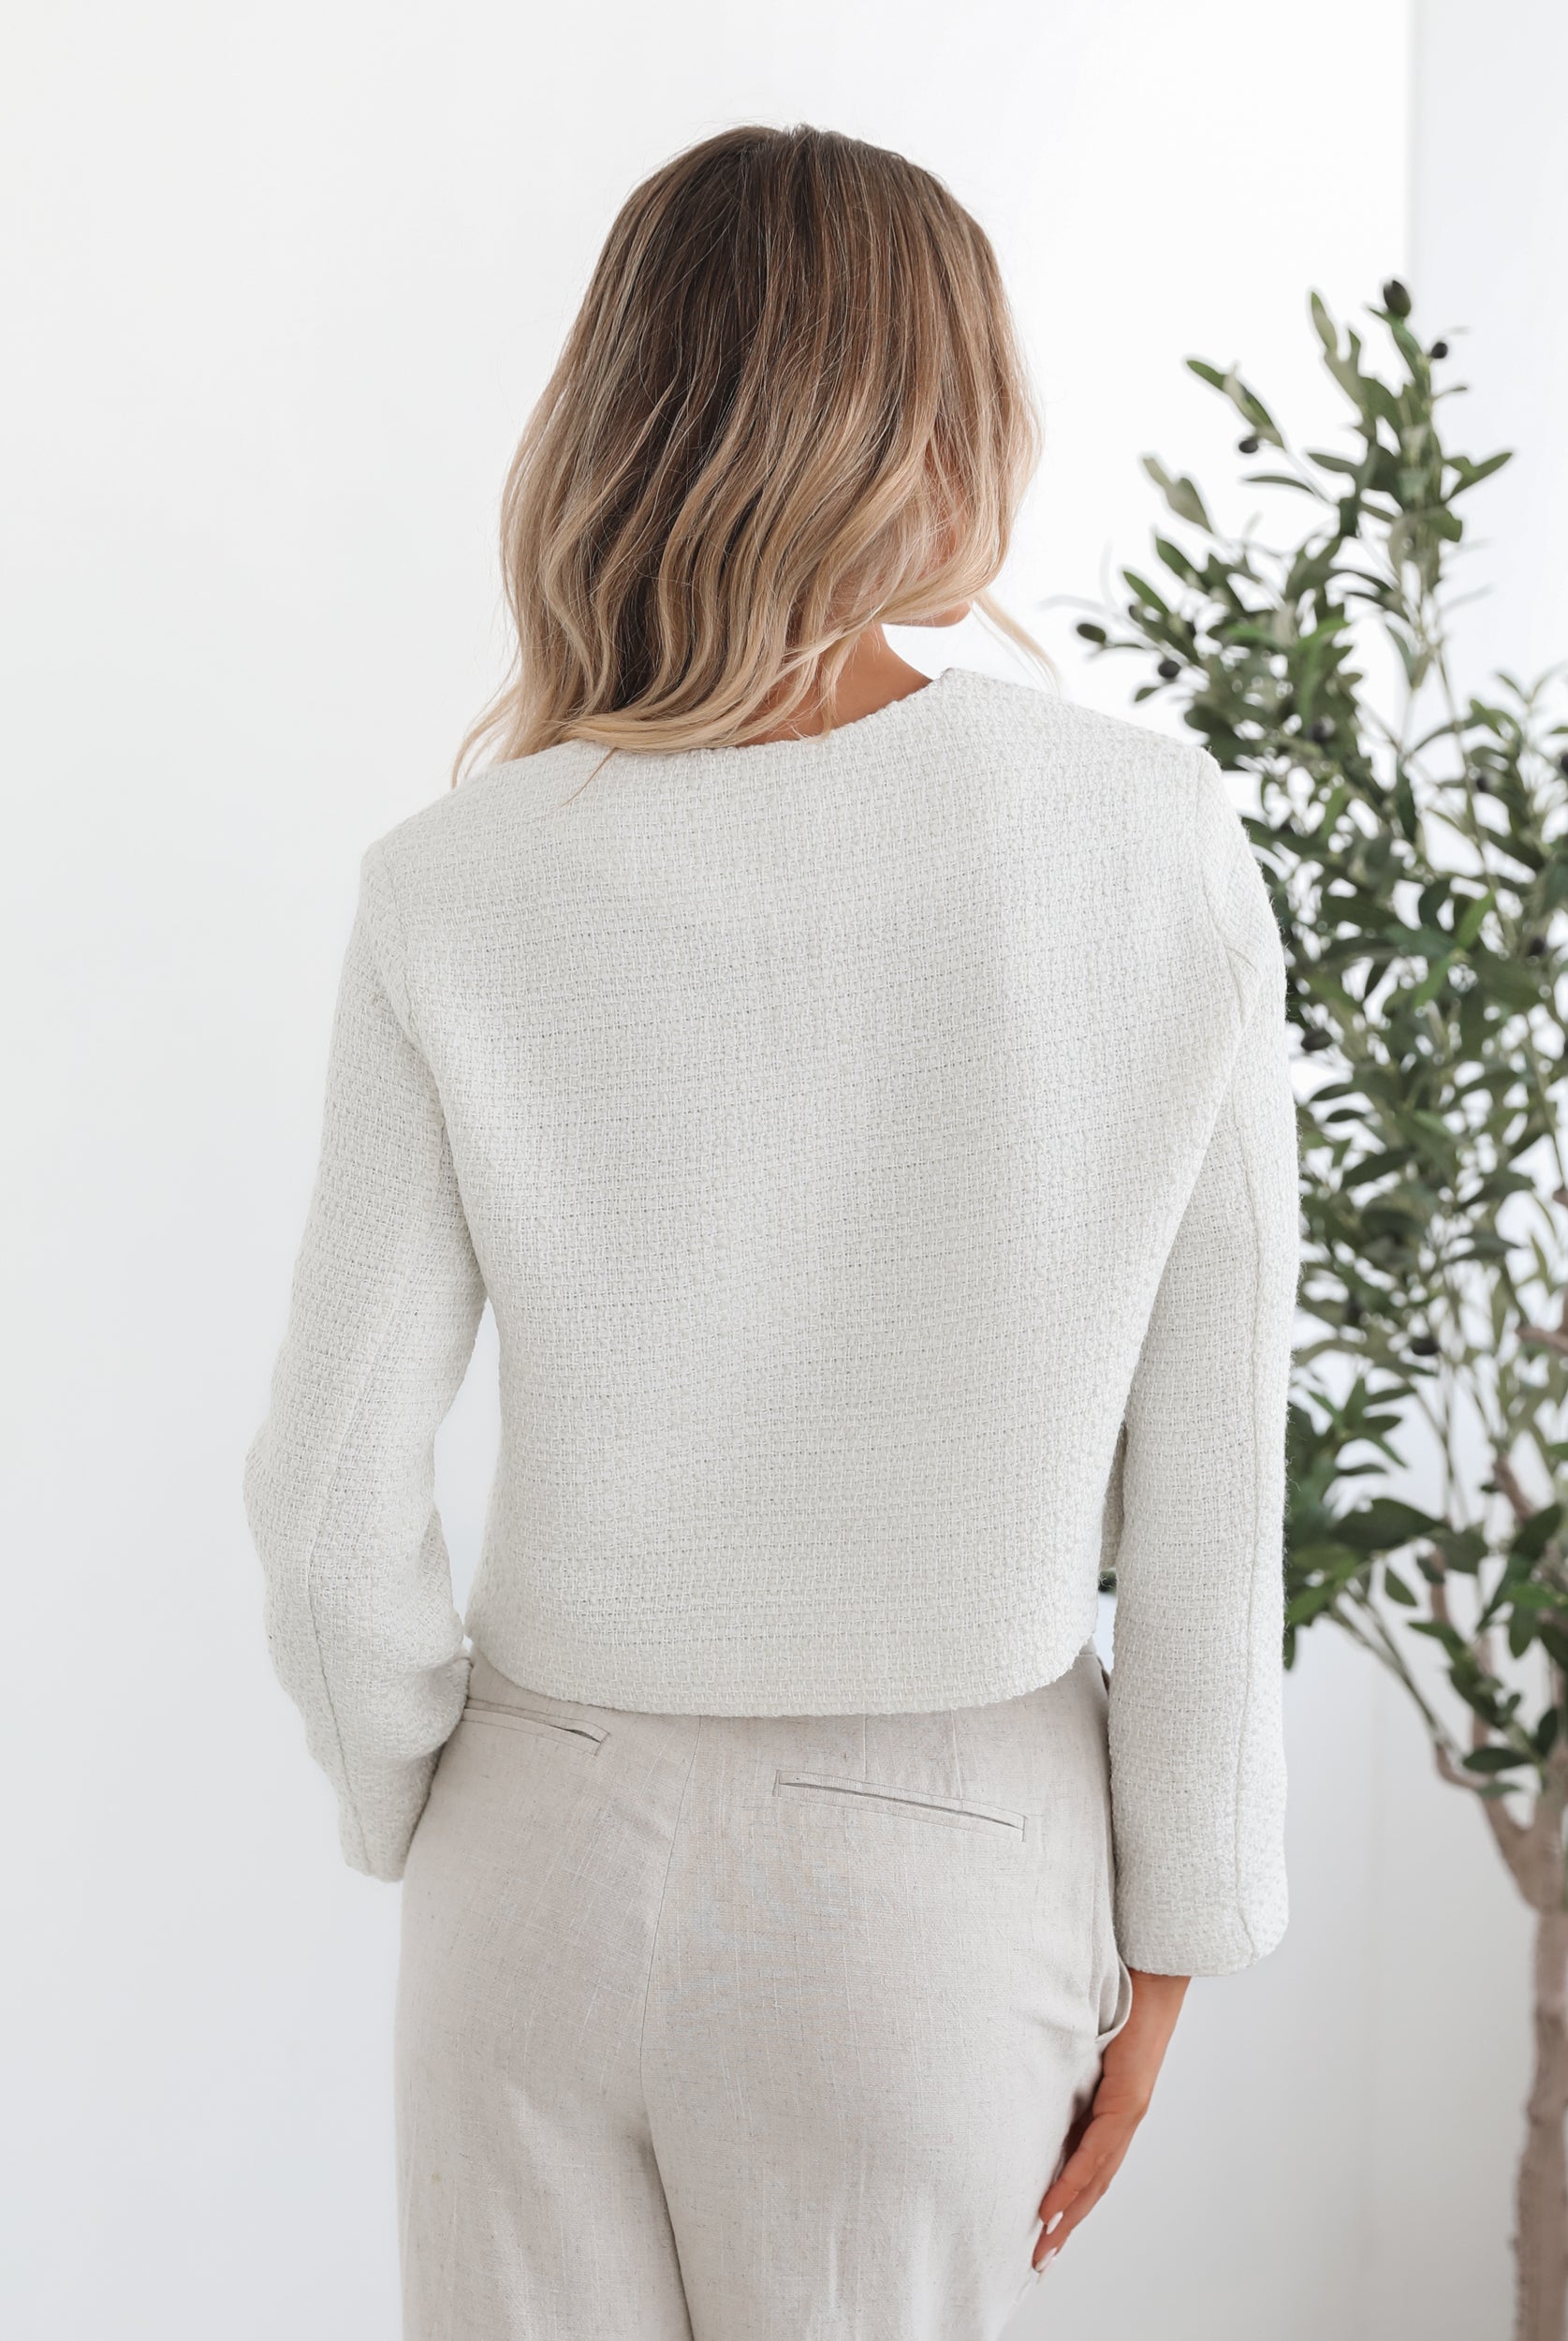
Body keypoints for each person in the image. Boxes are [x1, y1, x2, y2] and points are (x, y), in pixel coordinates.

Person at [242, 122, 1298, 2341]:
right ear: (945, 420)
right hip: (939, 1867)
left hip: (530, 1845)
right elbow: (1211, 1485)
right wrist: (1178, 1934)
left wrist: (439, 1809)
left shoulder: (462, 877)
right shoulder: (1141, 841)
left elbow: (332, 1499)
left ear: (625, 417)